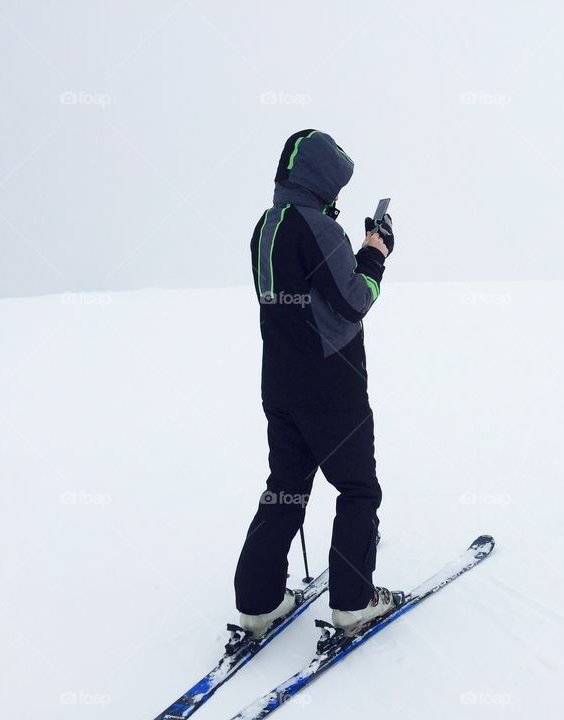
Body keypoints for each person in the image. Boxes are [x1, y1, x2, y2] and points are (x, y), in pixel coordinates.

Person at [233, 129, 396, 636]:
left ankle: (259, 602)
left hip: (279, 386)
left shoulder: (266, 226)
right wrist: (374, 253)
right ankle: (352, 602)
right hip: (331, 388)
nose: (340, 196)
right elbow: (353, 301)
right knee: (357, 489)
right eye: (336, 185)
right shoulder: (318, 228)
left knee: (285, 488)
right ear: (320, 180)